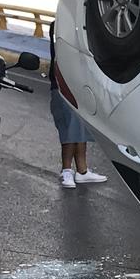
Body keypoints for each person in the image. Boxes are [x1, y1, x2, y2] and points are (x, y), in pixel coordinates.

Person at [48, 57, 106, 190]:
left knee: (80, 128)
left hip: (79, 84)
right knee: (69, 128)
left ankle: (82, 170)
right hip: (63, 83)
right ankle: (66, 171)